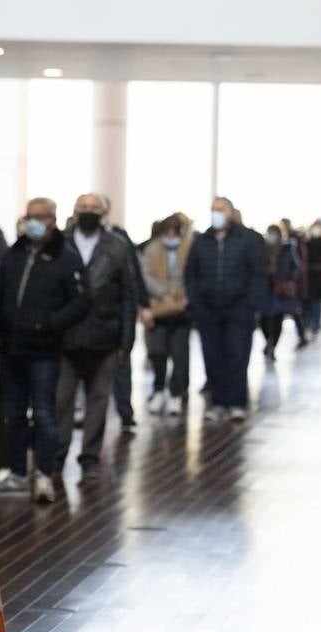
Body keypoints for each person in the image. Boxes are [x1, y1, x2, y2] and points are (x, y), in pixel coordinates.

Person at [0, 198, 88, 503]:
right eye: (29, 216)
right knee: (14, 414)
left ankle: (44, 473)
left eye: (39, 217)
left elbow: (82, 302)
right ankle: (17, 474)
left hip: (44, 351)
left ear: (53, 221)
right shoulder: (14, 254)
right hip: (11, 348)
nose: (32, 222)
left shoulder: (66, 258)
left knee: (44, 413)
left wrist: (50, 323)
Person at [54, 193, 137, 483]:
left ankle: (90, 458)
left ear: (104, 213)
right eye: (83, 208)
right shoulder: (59, 243)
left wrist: (126, 341)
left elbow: (128, 296)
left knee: (98, 402)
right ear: (74, 211)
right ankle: (56, 458)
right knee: (61, 403)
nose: (88, 212)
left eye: (94, 208)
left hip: (104, 337)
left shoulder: (116, 246)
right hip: (65, 337)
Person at [185, 196, 267, 423]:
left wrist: (252, 304)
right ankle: (218, 402)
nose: (216, 213)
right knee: (213, 356)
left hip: (239, 308)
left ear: (231, 212)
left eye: (220, 210)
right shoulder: (202, 240)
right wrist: (196, 302)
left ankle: (236, 402)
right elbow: (191, 273)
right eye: (213, 209)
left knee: (237, 354)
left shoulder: (248, 239)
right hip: (208, 309)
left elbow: (258, 273)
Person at [101, 196, 148, 435]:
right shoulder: (68, 241)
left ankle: (125, 411)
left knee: (121, 365)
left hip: (115, 317)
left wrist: (144, 304)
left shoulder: (119, 240)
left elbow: (133, 276)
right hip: (82, 323)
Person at [140, 213, 193, 416]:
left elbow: (193, 273)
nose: (171, 236)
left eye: (174, 232)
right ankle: (158, 389)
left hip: (182, 309)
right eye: (167, 233)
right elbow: (145, 276)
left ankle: (176, 392)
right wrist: (164, 294)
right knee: (158, 351)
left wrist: (182, 295)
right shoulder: (152, 249)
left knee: (180, 354)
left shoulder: (189, 248)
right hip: (159, 308)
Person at [258, 223, 303, 361]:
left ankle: (272, 346)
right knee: (264, 319)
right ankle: (268, 341)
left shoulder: (287, 249)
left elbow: (295, 267)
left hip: (281, 289)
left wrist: (288, 279)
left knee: (277, 319)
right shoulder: (263, 250)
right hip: (266, 288)